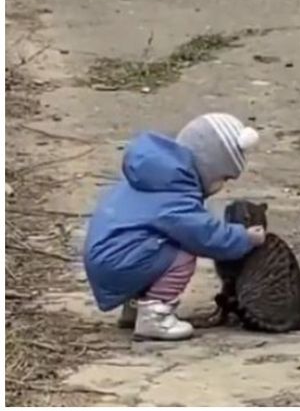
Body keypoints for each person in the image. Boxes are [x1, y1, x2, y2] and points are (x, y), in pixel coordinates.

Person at [83, 113, 266, 340]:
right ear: (208, 166)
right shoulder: (174, 194)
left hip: (109, 258)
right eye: (223, 177)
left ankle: (135, 308)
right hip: (119, 263)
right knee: (183, 252)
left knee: (157, 244)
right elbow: (204, 235)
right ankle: (154, 316)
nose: (221, 187)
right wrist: (244, 238)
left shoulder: (155, 176)